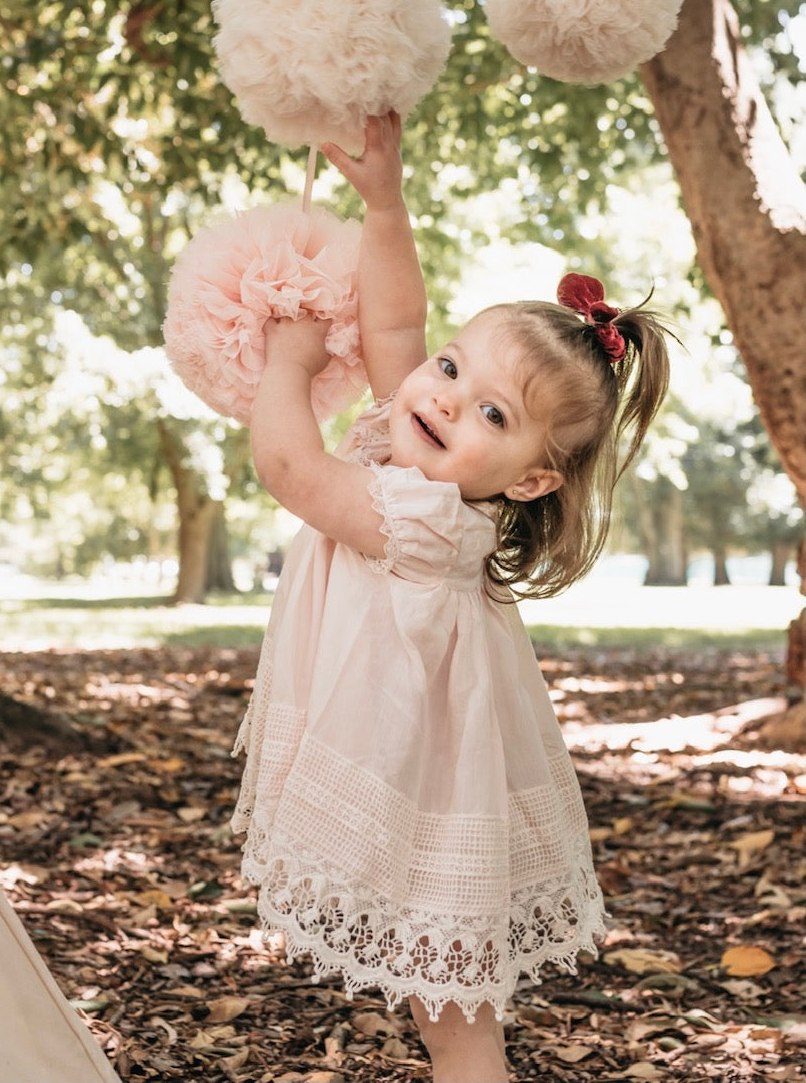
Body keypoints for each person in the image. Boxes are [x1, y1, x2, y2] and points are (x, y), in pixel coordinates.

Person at [231, 111, 671, 1083]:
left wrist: (291, 363)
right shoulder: (423, 456)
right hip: (419, 760)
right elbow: (394, 325)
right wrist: (382, 203)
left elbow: (288, 464)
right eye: (451, 367)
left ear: (526, 480)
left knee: (459, 1018)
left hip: (416, 777)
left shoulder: (422, 516)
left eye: (492, 412)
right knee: (452, 1008)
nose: (439, 394)